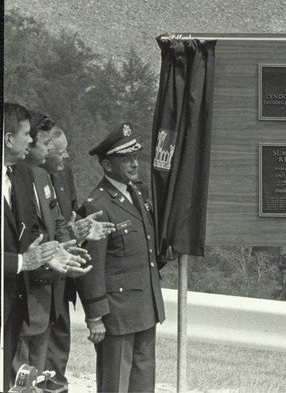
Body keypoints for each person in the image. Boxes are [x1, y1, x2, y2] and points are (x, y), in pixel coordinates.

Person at [77, 122, 165, 393]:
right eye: (125, 159)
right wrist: (95, 316)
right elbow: (91, 267)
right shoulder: (97, 205)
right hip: (116, 313)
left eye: (135, 157)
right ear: (106, 165)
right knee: (115, 385)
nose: (134, 164)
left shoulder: (138, 193)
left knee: (142, 383)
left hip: (144, 306)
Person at [2, 103, 72, 389]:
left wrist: (53, 253)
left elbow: (35, 231)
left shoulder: (17, 177)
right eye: (28, 135)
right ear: (9, 139)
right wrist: (23, 262)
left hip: (23, 301)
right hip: (17, 292)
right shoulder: (19, 175)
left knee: (29, 381)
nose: (31, 142)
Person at [43, 127, 80, 393]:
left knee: (61, 334)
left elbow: (70, 217)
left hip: (63, 274)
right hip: (40, 274)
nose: (67, 156)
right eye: (60, 152)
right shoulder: (28, 175)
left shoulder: (64, 172)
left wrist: (78, 232)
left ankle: (58, 384)